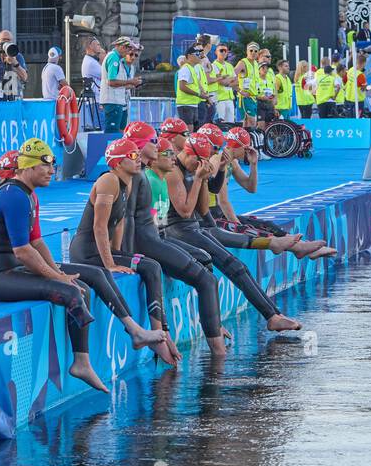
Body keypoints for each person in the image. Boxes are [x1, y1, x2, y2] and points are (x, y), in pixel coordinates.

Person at [0, 140, 110, 394]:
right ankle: (81, 364)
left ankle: (82, 361)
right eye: (44, 166)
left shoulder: (26, 194)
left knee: (79, 286)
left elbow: (36, 242)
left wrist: (59, 274)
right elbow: (23, 252)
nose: (51, 171)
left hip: (10, 269)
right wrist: (56, 278)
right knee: (70, 292)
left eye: (53, 165)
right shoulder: (14, 196)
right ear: (26, 168)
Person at [163, 134, 301, 332]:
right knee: (230, 265)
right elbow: (185, 211)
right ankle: (268, 315)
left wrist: (202, 180)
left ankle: (273, 315)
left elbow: (202, 209)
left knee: (238, 266)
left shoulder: (194, 168)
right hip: (175, 229)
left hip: (193, 227)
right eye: (199, 161)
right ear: (189, 153)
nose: (199, 166)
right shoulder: (173, 173)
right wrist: (197, 180)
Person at [67, 138, 176, 366]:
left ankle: (160, 333)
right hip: (87, 252)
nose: (138, 160)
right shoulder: (108, 180)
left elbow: (118, 224)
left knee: (151, 265)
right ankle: (155, 336)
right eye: (133, 156)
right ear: (117, 163)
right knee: (149, 266)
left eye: (138, 155)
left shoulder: (127, 182)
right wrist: (110, 263)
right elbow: (99, 225)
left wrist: (120, 254)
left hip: (100, 250)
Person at [124, 121, 227, 358]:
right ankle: (218, 355)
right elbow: (125, 221)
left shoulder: (153, 178)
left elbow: (149, 218)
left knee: (205, 267)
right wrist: (126, 255)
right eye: (158, 145)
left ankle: (208, 328)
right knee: (206, 281)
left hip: (154, 238)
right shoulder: (142, 178)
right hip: (145, 243)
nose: (171, 153)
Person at [198, 124, 336, 262]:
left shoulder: (231, 162)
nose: (248, 152)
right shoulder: (217, 160)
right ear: (237, 146)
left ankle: (303, 246)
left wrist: (254, 164)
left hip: (218, 214)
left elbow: (250, 187)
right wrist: (237, 225)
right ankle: (299, 248)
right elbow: (223, 201)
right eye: (246, 148)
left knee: (267, 225)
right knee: (251, 230)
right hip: (211, 216)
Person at [99, 36, 141, 133]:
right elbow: (111, 81)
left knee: (118, 131)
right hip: (112, 101)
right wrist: (130, 81)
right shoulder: (113, 57)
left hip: (116, 100)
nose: (129, 52)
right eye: (128, 49)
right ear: (122, 47)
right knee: (112, 132)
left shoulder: (116, 58)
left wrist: (131, 83)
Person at [174, 43, 204, 131]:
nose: (200, 56)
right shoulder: (185, 69)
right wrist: (198, 94)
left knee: (193, 129)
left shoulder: (192, 68)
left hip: (191, 103)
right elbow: (182, 86)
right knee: (188, 130)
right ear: (189, 56)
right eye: (197, 54)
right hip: (185, 104)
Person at [234, 41, 261, 128]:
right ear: (247, 51)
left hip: (253, 97)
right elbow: (232, 76)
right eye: (251, 50)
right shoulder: (243, 63)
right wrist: (240, 90)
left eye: (255, 51)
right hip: (245, 97)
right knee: (252, 122)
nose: (253, 53)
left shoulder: (256, 64)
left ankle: (246, 140)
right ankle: (249, 140)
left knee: (246, 123)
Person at [209, 42, 238, 125]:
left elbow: (236, 81)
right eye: (221, 50)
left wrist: (227, 81)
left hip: (230, 99)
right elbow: (222, 82)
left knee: (230, 124)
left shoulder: (229, 66)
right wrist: (230, 80)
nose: (224, 52)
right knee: (221, 125)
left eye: (226, 50)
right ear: (216, 52)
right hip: (219, 99)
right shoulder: (213, 66)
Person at [80, 35, 103, 101]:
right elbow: (106, 76)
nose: (100, 47)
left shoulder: (91, 60)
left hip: (96, 98)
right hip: (95, 99)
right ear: (91, 46)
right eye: (98, 45)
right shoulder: (91, 62)